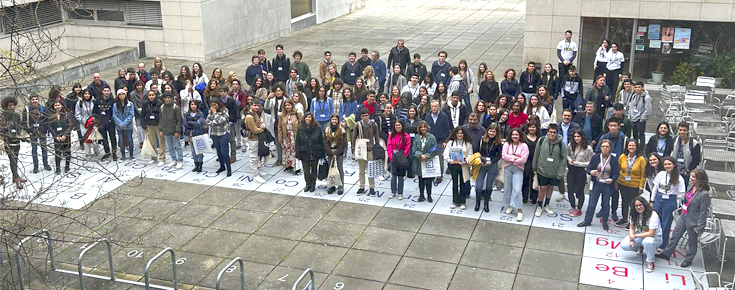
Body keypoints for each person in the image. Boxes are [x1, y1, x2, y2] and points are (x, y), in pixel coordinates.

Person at [656, 169, 711, 268]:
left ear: (699, 179)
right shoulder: (692, 187)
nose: (690, 178)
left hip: (693, 220)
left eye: (693, 177)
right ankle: (667, 254)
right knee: (675, 235)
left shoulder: (704, 194)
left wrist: (700, 227)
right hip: (684, 216)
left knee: (692, 242)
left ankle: (688, 259)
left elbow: (703, 212)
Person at [578, 139, 620, 230]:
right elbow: (588, 169)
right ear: (600, 148)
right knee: (591, 204)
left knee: (605, 204)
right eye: (603, 146)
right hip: (596, 183)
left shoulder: (613, 159)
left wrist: (612, 179)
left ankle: (605, 222)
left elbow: (617, 173)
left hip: (607, 185)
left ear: (610, 148)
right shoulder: (596, 157)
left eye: (607, 147)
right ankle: (587, 220)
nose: (605, 148)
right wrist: (591, 172)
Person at [651, 156, 686, 250]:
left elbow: (682, 193)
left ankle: (662, 244)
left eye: (669, 164)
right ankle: (651, 240)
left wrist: (677, 204)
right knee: (654, 220)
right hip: (659, 198)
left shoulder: (679, 178)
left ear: (674, 165)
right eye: (665, 164)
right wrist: (652, 200)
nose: (667, 166)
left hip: (670, 200)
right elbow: (655, 188)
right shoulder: (661, 174)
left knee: (666, 224)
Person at [622, 196, 663, 273]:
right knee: (624, 245)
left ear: (644, 205)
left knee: (647, 242)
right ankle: (641, 247)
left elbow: (651, 233)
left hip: (654, 238)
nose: (638, 207)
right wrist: (631, 237)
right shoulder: (634, 214)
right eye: (636, 206)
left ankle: (650, 261)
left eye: (640, 205)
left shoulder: (653, 214)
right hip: (641, 235)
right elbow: (632, 228)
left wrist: (635, 236)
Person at [532, 124, 566, 215]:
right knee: (542, 188)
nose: (552, 134)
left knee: (550, 187)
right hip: (542, 170)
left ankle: (546, 204)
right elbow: (536, 154)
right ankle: (539, 206)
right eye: (550, 132)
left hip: (554, 171)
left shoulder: (560, 143)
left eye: (554, 132)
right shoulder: (541, 140)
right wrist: (534, 167)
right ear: (547, 132)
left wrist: (561, 172)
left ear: (557, 133)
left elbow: (564, 158)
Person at [616, 139, 646, 226]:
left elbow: (643, 174)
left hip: (635, 185)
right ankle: (624, 218)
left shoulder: (641, 159)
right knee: (624, 202)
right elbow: (618, 170)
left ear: (636, 147)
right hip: (623, 183)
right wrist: (617, 182)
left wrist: (641, 187)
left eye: (633, 145)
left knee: (633, 204)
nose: (631, 147)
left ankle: (632, 221)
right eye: (630, 145)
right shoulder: (622, 156)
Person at [502, 128, 528, 221]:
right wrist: (516, 158)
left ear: (520, 135)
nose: (514, 136)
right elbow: (504, 156)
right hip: (508, 168)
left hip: (518, 169)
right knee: (507, 188)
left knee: (517, 190)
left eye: (516, 135)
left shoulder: (524, 145)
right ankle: (510, 206)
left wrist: (511, 159)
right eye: (513, 135)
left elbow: (523, 159)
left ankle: (520, 211)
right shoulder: (507, 144)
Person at [353, 108, 380, 196]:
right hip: (361, 149)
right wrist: (353, 149)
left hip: (370, 149)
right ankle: (361, 186)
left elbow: (376, 137)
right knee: (361, 170)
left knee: (371, 169)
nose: (365, 117)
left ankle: (371, 187)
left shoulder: (373, 125)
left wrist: (377, 149)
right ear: (360, 117)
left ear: (369, 116)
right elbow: (354, 138)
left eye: (366, 115)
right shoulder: (357, 125)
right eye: (363, 116)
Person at [444, 126, 473, 210]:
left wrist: (466, 160)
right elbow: (445, 153)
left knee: (463, 183)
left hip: (463, 165)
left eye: (461, 133)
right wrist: (449, 160)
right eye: (458, 133)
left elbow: (470, 154)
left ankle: (462, 202)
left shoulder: (468, 143)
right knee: (455, 183)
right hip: (453, 165)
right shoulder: (451, 143)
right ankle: (455, 201)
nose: (459, 135)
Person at [475, 124, 502, 211]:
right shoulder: (482, 139)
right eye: (490, 131)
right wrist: (482, 160)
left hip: (492, 165)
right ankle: (477, 203)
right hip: (481, 164)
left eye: (493, 132)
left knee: (489, 186)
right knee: (478, 186)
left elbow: (499, 156)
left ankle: (486, 204)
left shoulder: (498, 142)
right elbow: (477, 151)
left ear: (496, 133)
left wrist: (491, 161)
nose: (491, 133)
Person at [1, 97, 26, 188]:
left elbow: (18, 128)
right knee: (12, 159)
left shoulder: (16, 116)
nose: (11, 107)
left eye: (13, 105)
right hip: (8, 141)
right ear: (6, 106)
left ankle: (14, 176)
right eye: (9, 105)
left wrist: (19, 136)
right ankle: (17, 178)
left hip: (17, 141)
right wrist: (10, 137)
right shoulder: (3, 117)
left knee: (16, 159)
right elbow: (2, 131)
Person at [566, 130, 593, 216]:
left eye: (578, 136)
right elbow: (567, 155)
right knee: (570, 190)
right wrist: (569, 159)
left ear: (582, 137)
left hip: (581, 170)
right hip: (571, 169)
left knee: (579, 191)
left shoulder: (588, 148)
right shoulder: (570, 145)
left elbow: (591, 162)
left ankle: (579, 209)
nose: (576, 138)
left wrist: (580, 163)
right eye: (575, 137)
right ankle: (573, 206)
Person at [297, 112, 325, 192]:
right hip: (304, 152)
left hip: (315, 152)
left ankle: (313, 184)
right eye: (306, 117)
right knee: (306, 171)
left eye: (309, 117)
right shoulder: (300, 128)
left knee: (314, 169)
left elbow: (321, 140)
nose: (308, 119)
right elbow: (297, 141)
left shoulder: (317, 127)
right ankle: (308, 184)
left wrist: (322, 153)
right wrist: (298, 153)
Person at [424, 100, 451, 183]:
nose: (434, 108)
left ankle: (439, 176)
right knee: (430, 157)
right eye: (432, 106)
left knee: (440, 159)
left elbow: (447, 129)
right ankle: (432, 174)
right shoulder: (427, 116)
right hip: (430, 141)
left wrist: (445, 141)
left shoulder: (444, 116)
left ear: (438, 107)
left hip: (440, 141)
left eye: (435, 106)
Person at [23, 95, 50, 172]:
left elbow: (47, 120)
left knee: (44, 148)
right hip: (33, 133)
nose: (35, 101)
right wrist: (29, 131)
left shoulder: (44, 109)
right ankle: (36, 166)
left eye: (36, 99)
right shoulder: (27, 110)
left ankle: (46, 164)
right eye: (33, 99)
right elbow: (23, 122)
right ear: (30, 101)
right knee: (34, 150)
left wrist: (45, 130)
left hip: (42, 132)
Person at [411, 120, 438, 202]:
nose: (423, 129)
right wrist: (420, 155)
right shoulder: (416, 137)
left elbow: (434, 149)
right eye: (421, 127)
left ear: (427, 128)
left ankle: (429, 196)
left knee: (428, 181)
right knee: (421, 180)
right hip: (419, 162)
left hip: (428, 161)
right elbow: (414, 149)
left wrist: (426, 156)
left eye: (424, 127)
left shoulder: (432, 137)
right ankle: (421, 195)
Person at [671, 122, 701, 187]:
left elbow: (696, 159)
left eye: (684, 130)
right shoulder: (674, 140)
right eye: (680, 130)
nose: (682, 132)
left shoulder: (694, 143)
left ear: (688, 131)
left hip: (686, 171)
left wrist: (688, 170)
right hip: (674, 169)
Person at [207, 99, 232, 177]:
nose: (213, 107)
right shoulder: (210, 111)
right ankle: (222, 166)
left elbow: (222, 121)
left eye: (215, 105)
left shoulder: (224, 110)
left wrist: (214, 114)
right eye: (212, 105)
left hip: (224, 133)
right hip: (214, 134)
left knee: (225, 152)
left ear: (218, 104)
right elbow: (207, 121)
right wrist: (214, 122)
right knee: (219, 152)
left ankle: (229, 169)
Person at [244, 101, 267, 182]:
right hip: (253, 139)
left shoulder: (255, 113)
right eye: (255, 105)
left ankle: (257, 171)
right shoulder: (249, 117)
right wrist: (262, 128)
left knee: (257, 157)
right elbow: (254, 130)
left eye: (258, 105)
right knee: (253, 157)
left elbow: (258, 123)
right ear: (251, 105)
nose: (257, 107)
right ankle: (255, 175)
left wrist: (261, 124)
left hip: (258, 138)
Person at [265, 83, 288, 165]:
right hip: (275, 123)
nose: (278, 92)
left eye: (280, 90)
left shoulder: (286, 100)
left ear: (282, 91)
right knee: (277, 141)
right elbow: (266, 107)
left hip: (284, 123)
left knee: (285, 141)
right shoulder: (272, 100)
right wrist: (268, 98)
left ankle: (286, 159)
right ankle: (279, 159)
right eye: (276, 91)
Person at [387, 120, 411, 199]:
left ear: (402, 126)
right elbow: (389, 145)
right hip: (393, 156)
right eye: (396, 125)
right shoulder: (391, 135)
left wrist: (403, 157)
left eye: (399, 125)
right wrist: (390, 156)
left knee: (400, 177)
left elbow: (407, 147)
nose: (398, 127)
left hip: (401, 157)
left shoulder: (406, 136)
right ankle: (393, 192)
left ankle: (400, 193)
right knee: (393, 176)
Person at [94, 86, 118, 161]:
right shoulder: (98, 100)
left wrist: (113, 120)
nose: (106, 92)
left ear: (110, 92)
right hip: (101, 123)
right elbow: (94, 112)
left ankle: (114, 153)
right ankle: (107, 153)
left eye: (108, 91)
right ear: (102, 92)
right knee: (104, 139)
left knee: (113, 138)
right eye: (105, 90)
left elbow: (115, 112)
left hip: (111, 123)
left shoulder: (113, 101)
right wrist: (96, 121)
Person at [160, 93, 183, 169]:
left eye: (168, 98)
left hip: (174, 131)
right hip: (166, 130)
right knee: (170, 147)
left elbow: (179, 121)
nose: (167, 99)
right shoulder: (162, 107)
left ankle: (180, 160)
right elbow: (160, 119)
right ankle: (174, 159)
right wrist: (161, 130)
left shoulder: (176, 108)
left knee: (177, 146)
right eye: (165, 98)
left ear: (171, 98)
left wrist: (177, 131)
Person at [324, 114, 346, 194]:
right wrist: (329, 152)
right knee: (331, 170)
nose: (334, 121)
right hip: (330, 152)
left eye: (335, 120)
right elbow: (325, 142)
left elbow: (344, 143)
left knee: (340, 169)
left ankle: (341, 187)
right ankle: (331, 186)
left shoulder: (341, 130)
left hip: (338, 152)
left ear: (338, 121)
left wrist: (336, 153)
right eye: (333, 119)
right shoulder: (327, 129)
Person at [48, 100, 72, 174]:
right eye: (56, 105)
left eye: (59, 105)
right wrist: (55, 136)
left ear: (62, 106)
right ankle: (58, 168)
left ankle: (67, 166)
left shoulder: (67, 114)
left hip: (65, 136)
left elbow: (70, 125)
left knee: (67, 152)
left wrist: (65, 135)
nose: (57, 107)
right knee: (57, 153)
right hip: (57, 137)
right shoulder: (51, 116)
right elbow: (49, 127)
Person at [280, 99, 302, 174]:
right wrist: (280, 137)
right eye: (286, 105)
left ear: (292, 105)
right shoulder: (282, 115)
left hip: (294, 135)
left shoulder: (297, 114)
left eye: (288, 105)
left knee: (295, 151)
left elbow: (301, 125)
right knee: (287, 151)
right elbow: (279, 127)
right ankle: (289, 165)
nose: (287, 107)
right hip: (286, 136)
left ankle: (297, 168)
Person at [75, 89, 100, 156]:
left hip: (93, 122)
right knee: (86, 138)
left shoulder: (94, 102)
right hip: (84, 124)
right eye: (85, 94)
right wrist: (83, 121)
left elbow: (97, 111)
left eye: (88, 94)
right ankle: (88, 153)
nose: (87, 95)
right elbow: (77, 114)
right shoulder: (79, 103)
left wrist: (95, 120)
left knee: (95, 138)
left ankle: (96, 152)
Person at [112, 89, 135, 161]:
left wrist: (124, 123)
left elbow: (131, 115)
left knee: (130, 140)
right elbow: (114, 115)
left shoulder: (130, 104)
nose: (121, 96)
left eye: (123, 94)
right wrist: (120, 124)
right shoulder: (115, 105)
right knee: (121, 141)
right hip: (119, 126)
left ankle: (131, 155)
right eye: (120, 94)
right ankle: (123, 156)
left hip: (128, 125)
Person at [184, 101, 206, 172]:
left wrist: (191, 122)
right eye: (192, 104)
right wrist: (194, 123)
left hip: (198, 133)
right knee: (193, 151)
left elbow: (200, 123)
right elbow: (185, 124)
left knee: (199, 150)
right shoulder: (187, 114)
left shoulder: (200, 113)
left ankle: (200, 164)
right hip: (190, 134)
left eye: (194, 104)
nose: (193, 106)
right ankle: (196, 164)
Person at [628, 82, 652, 147]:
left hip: (640, 119)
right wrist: (630, 116)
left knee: (641, 135)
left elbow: (648, 110)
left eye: (639, 87)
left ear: (642, 88)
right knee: (634, 135)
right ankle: (635, 147)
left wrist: (642, 118)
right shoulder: (634, 96)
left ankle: (641, 149)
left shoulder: (646, 97)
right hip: (633, 118)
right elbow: (631, 107)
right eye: (636, 87)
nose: (637, 89)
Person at [523, 121, 540, 204]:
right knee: (525, 179)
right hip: (526, 161)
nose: (531, 129)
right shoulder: (524, 137)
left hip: (536, 161)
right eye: (530, 127)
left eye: (533, 127)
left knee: (535, 179)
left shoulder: (540, 138)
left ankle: (534, 198)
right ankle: (524, 197)